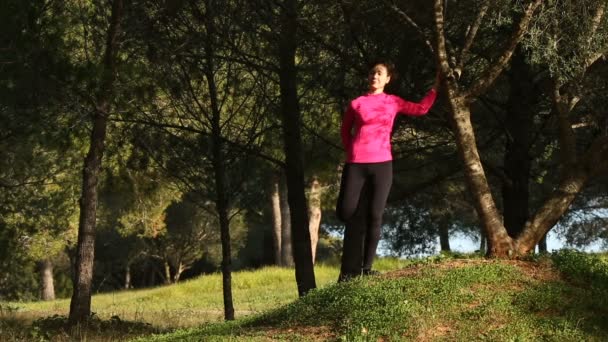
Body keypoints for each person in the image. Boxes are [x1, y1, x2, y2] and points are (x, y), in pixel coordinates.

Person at [336, 61, 439, 281]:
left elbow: (421, 109)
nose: (375, 76)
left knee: (375, 215)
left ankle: (366, 267)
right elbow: (345, 130)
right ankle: (353, 263)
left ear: (387, 79)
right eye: (372, 72)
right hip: (356, 164)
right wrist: (351, 150)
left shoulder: (393, 102)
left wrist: (435, 89)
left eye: (379, 73)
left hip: (382, 164)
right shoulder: (357, 103)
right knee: (346, 212)